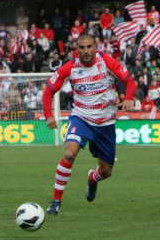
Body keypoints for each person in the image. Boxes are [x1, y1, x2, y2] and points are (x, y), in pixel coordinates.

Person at [42, 34, 136, 215]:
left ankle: (93, 178)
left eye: (89, 47)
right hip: (81, 118)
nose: (86, 51)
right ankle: (56, 200)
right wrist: (48, 115)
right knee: (69, 153)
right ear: (77, 49)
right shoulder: (70, 68)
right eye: (82, 47)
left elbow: (130, 82)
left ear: (95, 47)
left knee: (106, 171)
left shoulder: (106, 62)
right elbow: (48, 91)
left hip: (105, 123)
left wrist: (129, 98)